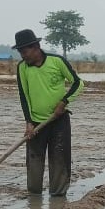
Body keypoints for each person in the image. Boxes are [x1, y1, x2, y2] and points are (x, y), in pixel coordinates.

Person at [12, 29, 85, 196]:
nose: (23, 56)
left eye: (25, 51)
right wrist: (28, 122)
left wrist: (64, 102)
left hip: (58, 121)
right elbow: (24, 96)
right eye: (20, 52)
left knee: (59, 159)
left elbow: (77, 83)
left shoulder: (57, 62)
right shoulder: (22, 68)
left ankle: (58, 197)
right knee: (34, 161)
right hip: (36, 123)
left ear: (36, 47)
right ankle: (34, 195)